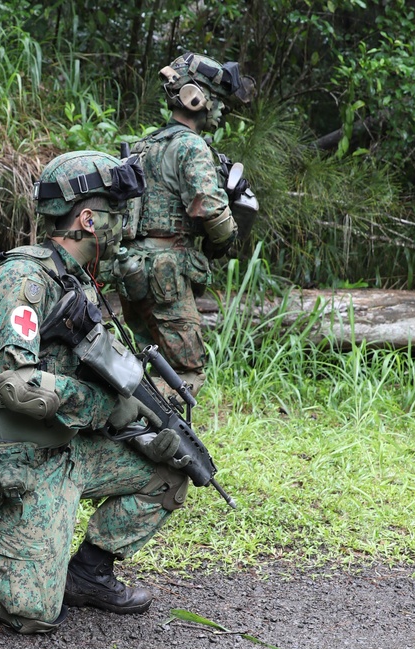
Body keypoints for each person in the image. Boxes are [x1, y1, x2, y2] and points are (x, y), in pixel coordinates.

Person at [0, 150, 190, 634]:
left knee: (170, 473)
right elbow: (18, 384)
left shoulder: (75, 281)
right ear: (88, 219)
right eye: (116, 214)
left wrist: (138, 427)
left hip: (65, 447)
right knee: (32, 610)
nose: (125, 225)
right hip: (14, 457)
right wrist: (100, 406)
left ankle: (88, 574)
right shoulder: (23, 280)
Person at [113, 52, 255, 395]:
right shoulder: (192, 146)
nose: (221, 110)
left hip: (131, 270)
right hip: (167, 275)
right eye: (218, 101)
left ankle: (136, 439)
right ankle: (165, 443)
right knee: (185, 374)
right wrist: (226, 238)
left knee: (145, 364)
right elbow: (212, 214)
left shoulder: (144, 146)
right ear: (198, 98)